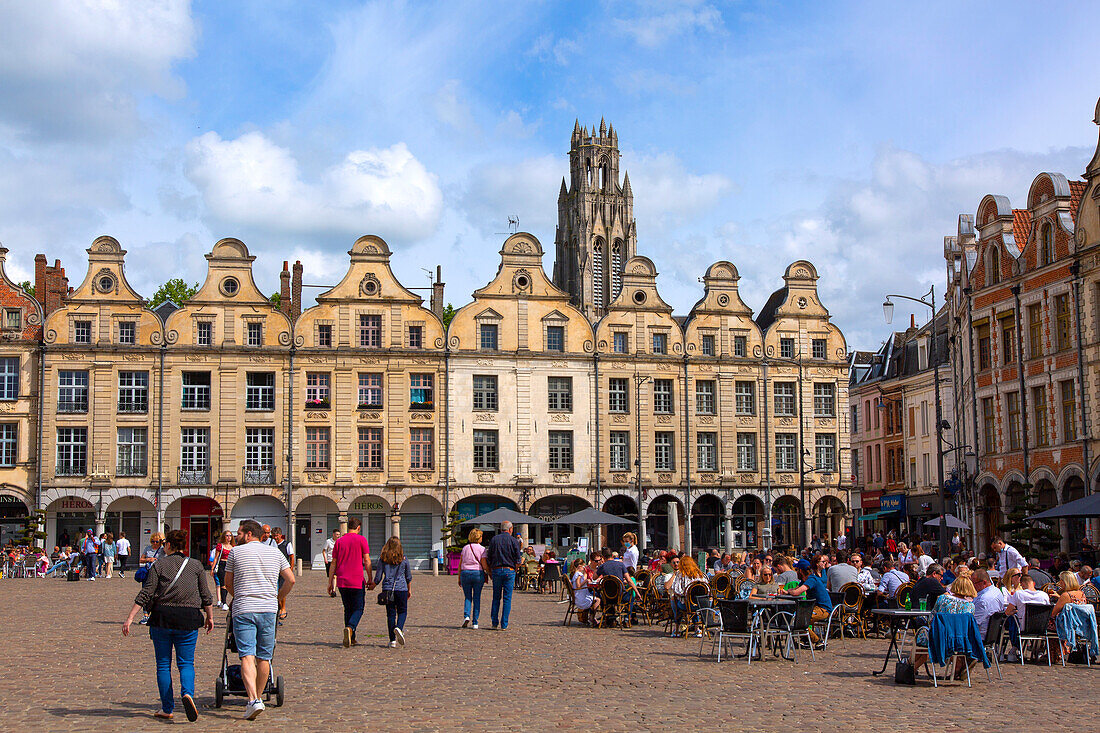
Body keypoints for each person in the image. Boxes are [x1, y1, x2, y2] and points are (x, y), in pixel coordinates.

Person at [122, 529, 214, 722]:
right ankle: (187, 693)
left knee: (163, 664)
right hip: (188, 618)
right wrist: (210, 617)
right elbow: (205, 594)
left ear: (169, 545)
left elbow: (146, 593)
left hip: (162, 617)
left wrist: (130, 618)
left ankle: (167, 707)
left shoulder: (159, 565)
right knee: (186, 663)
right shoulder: (196, 565)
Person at [225, 519, 295, 720]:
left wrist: (238, 594)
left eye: (238, 533)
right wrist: (278, 598)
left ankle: (253, 699)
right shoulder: (275, 553)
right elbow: (291, 579)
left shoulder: (236, 553)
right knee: (264, 656)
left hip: (244, 608)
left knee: (246, 654)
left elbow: (228, 583)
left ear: (248, 534)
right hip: (268, 609)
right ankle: (258, 699)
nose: (236, 536)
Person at [909, 576, 979, 676]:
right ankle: (959, 663)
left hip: (941, 639)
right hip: (960, 641)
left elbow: (932, 619)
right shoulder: (971, 606)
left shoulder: (943, 600)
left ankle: (910, 667)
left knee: (922, 636)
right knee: (928, 640)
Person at [327, 517, 372, 647]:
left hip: (342, 580)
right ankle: (350, 628)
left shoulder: (339, 542)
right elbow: (367, 560)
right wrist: (370, 578)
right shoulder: (361, 539)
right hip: (357, 580)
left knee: (348, 609)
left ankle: (351, 638)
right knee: (358, 608)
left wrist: (330, 582)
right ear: (358, 528)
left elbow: (333, 562)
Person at [781, 559, 833, 645]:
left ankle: (818, 641)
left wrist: (790, 591)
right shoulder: (804, 580)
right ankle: (806, 639)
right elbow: (794, 589)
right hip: (815, 608)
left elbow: (796, 592)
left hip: (823, 610)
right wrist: (786, 591)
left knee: (801, 620)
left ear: (801, 571)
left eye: (796, 570)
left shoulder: (811, 579)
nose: (796, 572)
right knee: (799, 618)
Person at [375, 536, 412, 648]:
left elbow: (378, 576)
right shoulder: (404, 559)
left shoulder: (383, 559)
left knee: (390, 614)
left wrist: (373, 584)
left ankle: (392, 641)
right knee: (402, 611)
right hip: (401, 588)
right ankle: (399, 628)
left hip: (388, 589)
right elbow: (408, 576)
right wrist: (409, 589)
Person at [1004, 573, 1049, 661]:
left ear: (1022, 584)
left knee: (1012, 619)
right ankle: (1039, 650)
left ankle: (1014, 648)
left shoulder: (1019, 594)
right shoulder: (1044, 595)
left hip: (1024, 627)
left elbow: (1007, 612)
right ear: (1034, 584)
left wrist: (1017, 611)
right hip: (1041, 627)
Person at [486, 520, 521, 630]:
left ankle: (494, 622)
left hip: (496, 570)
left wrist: (490, 570)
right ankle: (504, 624)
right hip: (509, 570)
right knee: (507, 598)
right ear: (510, 529)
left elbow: (489, 557)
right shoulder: (514, 541)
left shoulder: (494, 540)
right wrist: (515, 569)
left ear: (501, 529)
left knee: (496, 597)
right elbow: (518, 559)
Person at [458, 528, 488, 629]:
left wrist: (459, 577)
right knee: (476, 597)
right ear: (479, 538)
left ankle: (466, 616)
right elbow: (483, 564)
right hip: (477, 573)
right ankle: (475, 622)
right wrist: (488, 572)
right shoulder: (482, 549)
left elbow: (460, 563)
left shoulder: (465, 548)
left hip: (465, 573)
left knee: (467, 597)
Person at [971, 569, 1005, 638]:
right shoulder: (996, 591)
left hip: (980, 635)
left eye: (974, 583)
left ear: (984, 582)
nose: (973, 586)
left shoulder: (983, 600)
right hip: (993, 633)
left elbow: (973, 622)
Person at [272, 528, 294, 622]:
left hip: (283, 570)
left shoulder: (287, 544)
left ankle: (283, 608)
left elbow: (291, 557)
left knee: (282, 589)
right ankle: (277, 608)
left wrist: (291, 569)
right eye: (274, 536)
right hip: (273, 570)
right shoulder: (271, 544)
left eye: (277, 536)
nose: (275, 538)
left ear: (281, 535)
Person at [569, 558, 600, 625]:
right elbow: (578, 585)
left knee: (595, 597)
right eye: (583, 566)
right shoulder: (578, 574)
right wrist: (586, 581)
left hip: (579, 595)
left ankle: (590, 616)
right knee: (598, 600)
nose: (584, 568)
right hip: (580, 597)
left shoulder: (576, 574)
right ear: (580, 566)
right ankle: (592, 616)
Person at [211, 531, 234, 610]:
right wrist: (212, 568)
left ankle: (223, 601)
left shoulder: (233, 546)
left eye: (230, 536)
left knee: (228, 583)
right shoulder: (220, 546)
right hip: (222, 564)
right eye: (227, 536)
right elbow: (216, 558)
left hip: (230, 565)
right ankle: (224, 602)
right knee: (223, 584)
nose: (228, 537)